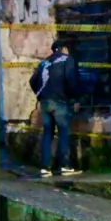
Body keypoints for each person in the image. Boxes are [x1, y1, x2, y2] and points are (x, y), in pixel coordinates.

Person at [29, 39, 83, 177]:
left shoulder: (44, 63)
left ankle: (45, 168)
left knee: (48, 133)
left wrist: (40, 95)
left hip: (45, 103)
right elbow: (71, 79)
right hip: (60, 102)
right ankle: (64, 166)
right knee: (64, 132)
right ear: (63, 48)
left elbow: (32, 81)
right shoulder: (67, 60)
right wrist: (76, 98)